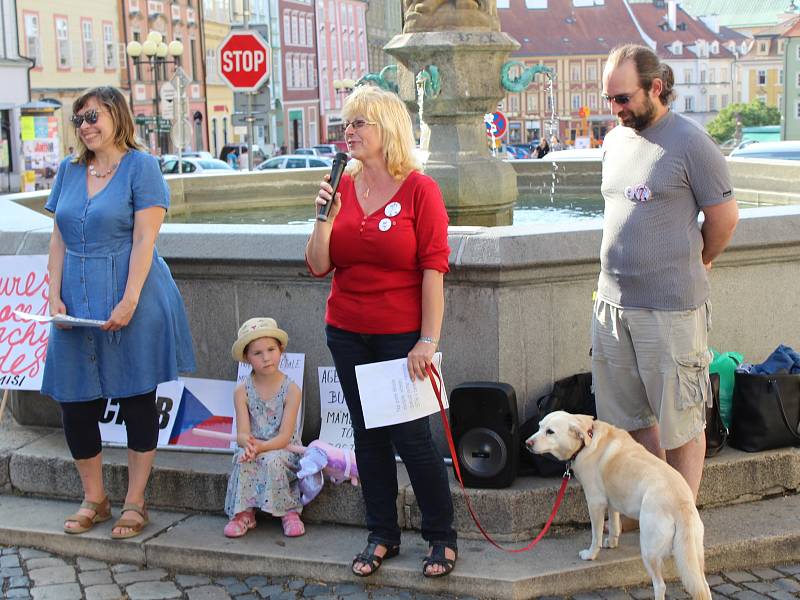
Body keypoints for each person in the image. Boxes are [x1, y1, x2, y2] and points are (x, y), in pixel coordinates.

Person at [305, 85, 457, 578]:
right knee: (367, 439)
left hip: (401, 337)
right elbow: (317, 265)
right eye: (346, 124)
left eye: (358, 123)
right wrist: (322, 218)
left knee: (413, 439)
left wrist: (427, 342)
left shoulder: (420, 189)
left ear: (386, 128)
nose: (348, 132)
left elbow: (433, 271)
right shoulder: (341, 187)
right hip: (346, 331)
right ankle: (382, 535)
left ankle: (441, 536)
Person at [42, 85, 195, 539]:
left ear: (117, 116)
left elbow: (145, 240)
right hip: (76, 296)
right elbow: (57, 237)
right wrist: (53, 294)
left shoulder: (141, 167)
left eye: (94, 116)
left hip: (130, 291)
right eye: (80, 119)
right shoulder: (69, 171)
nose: (86, 126)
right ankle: (95, 498)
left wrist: (129, 300)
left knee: (135, 398)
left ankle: (135, 500)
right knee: (74, 402)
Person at [592, 44, 739, 504]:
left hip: (671, 308)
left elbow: (725, 218)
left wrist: (703, 258)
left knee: (681, 423)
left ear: (656, 88)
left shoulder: (691, 143)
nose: (614, 109)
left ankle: (681, 518)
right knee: (630, 419)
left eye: (623, 98)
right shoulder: (615, 140)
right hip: (613, 305)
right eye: (609, 99)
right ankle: (651, 506)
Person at [224, 317, 305, 538]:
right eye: (257, 353)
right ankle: (244, 513)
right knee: (244, 459)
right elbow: (242, 432)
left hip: (283, 448)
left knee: (272, 460)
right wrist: (247, 444)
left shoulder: (291, 390)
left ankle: (288, 512)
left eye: (271, 349)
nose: (266, 357)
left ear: (280, 350)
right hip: (254, 446)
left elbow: (286, 435)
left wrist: (263, 447)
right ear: (247, 358)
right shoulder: (242, 391)